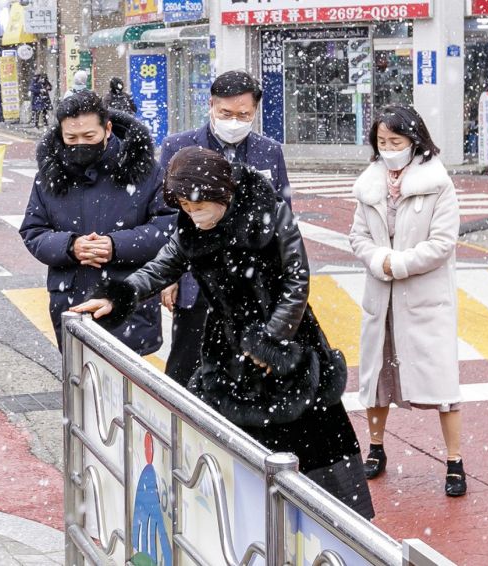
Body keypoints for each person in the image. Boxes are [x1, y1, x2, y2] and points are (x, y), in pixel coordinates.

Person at [71, 146, 374, 519]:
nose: (192, 215)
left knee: (316, 443)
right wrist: (119, 296)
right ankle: (252, 529)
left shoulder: (269, 213)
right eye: (184, 207)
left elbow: (297, 280)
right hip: (227, 351)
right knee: (239, 450)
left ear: (221, 194)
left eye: (197, 206)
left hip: (289, 341)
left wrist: (271, 341)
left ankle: (333, 527)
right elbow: (160, 268)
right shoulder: (191, 231)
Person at [349, 105, 466, 497]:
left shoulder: (438, 183)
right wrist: (377, 259)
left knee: (442, 383)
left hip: (424, 299)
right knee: (376, 379)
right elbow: (358, 235)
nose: (388, 149)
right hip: (380, 297)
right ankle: (376, 447)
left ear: (414, 141)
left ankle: (454, 461)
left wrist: (398, 263)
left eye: (395, 142)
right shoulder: (369, 184)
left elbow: (443, 243)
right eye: (381, 142)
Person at [158, 70, 291, 387]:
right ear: (211, 106)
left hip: (253, 281)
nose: (234, 121)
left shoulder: (269, 151)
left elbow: (284, 214)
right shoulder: (178, 147)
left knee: (251, 373)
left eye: (243, 114)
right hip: (197, 278)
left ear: (255, 111)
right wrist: (170, 276)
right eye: (225, 113)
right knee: (186, 367)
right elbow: (165, 215)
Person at [19, 91, 175, 353]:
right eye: (71, 138)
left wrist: (115, 245)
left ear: (108, 128)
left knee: (129, 384)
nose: (80, 144)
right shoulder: (50, 174)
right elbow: (33, 231)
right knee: (79, 382)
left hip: (126, 297)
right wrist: (70, 246)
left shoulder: (145, 170)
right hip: (71, 298)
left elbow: (167, 227)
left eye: (89, 137)